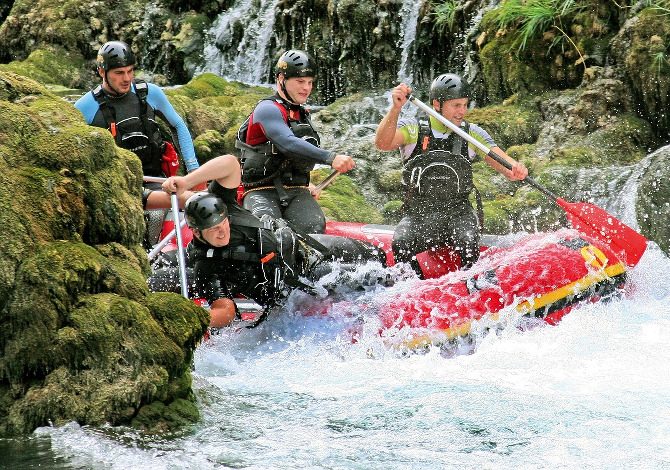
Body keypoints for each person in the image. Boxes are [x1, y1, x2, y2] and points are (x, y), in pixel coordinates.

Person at [155, 155, 385, 328]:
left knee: (377, 255)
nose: (222, 231)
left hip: (302, 247)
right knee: (373, 278)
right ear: (195, 233)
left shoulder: (225, 204)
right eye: (214, 230)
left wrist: (187, 180)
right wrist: (196, 321)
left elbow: (230, 163)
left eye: (223, 223)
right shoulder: (206, 264)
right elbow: (225, 309)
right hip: (298, 281)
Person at [375, 73, 528, 275]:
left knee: (467, 239)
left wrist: (516, 168)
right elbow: (382, 144)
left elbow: (506, 167)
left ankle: (472, 286)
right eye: (456, 105)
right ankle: (414, 289)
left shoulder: (472, 133)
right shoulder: (412, 129)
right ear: (437, 104)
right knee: (402, 242)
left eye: (465, 105)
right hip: (419, 214)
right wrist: (396, 109)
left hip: (459, 213)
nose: (462, 111)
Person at [236, 49, 356, 234]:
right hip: (260, 192)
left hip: (297, 191)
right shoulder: (267, 109)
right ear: (281, 79)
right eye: (300, 81)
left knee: (314, 229)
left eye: (310, 82)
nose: (306, 88)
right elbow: (287, 143)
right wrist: (331, 157)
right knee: (269, 232)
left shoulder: (301, 115)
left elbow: (298, 156)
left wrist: (307, 184)